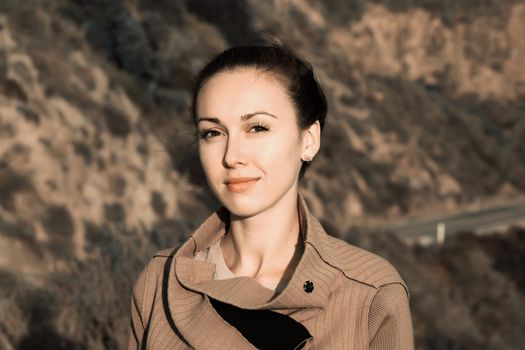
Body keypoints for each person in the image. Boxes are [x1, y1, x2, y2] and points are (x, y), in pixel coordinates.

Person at [128, 38, 414, 349]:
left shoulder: (369, 294)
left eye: (257, 128)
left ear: (309, 140)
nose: (231, 155)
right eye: (213, 132)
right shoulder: (159, 283)